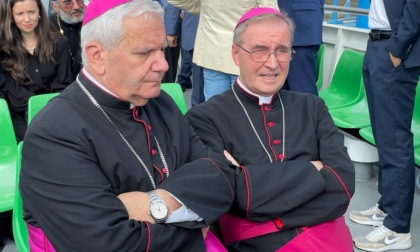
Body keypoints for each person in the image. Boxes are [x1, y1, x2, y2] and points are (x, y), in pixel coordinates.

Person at [19, 0, 235, 251]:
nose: (164, 65)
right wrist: (195, 224)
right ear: (97, 56)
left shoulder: (160, 102)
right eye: (144, 53)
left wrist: (156, 204)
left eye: (162, 49)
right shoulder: (53, 134)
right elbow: (106, 243)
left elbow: (220, 176)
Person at [186, 7, 355, 251]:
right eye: (259, 51)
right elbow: (233, 196)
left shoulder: (312, 107)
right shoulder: (204, 118)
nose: (272, 63)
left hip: (329, 238)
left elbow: (342, 185)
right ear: (236, 54)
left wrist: (251, 180)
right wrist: (313, 169)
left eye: (282, 50)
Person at [349, 1, 420, 251]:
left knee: (395, 139)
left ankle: (398, 228)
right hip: (376, 44)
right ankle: (387, 206)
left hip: (394, 49)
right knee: (383, 135)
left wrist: (398, 49)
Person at [167, 0, 279, 101]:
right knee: (245, 108)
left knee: (215, 109)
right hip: (246, 52)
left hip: (213, 53)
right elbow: (271, 14)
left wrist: (205, 9)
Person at [0, 0, 73, 142]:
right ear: (12, 17)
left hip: (56, 111)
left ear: (39, 12)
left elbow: (63, 83)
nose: (27, 19)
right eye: (20, 14)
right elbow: (12, 93)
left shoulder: (59, 43)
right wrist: (35, 107)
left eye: (31, 12)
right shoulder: (4, 50)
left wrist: (47, 108)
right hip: (21, 117)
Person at [277, 0, 324, 95]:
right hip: (283, 27)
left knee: (302, 90)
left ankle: (310, 110)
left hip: (300, 29)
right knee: (280, 91)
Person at [165, 3, 204, 105]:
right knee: (199, 88)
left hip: (235, 34)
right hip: (196, 31)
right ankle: (199, 118)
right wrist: (171, 31)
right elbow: (174, 2)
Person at [49, 0, 85, 79]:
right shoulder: (47, 29)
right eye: (68, 3)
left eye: (79, 1)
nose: (76, 7)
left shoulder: (95, 20)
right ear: (55, 6)